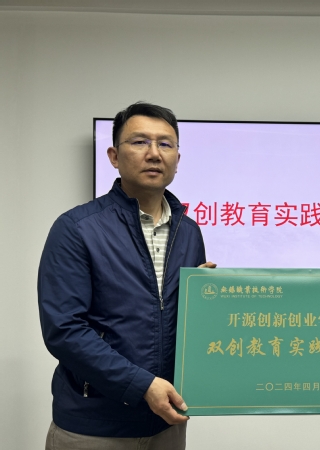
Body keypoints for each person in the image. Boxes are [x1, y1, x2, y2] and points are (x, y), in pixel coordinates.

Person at [38, 102, 215, 449]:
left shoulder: (189, 231)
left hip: (166, 423)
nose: (154, 153)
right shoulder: (76, 228)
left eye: (165, 144)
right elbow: (64, 330)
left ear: (178, 158)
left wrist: (209, 300)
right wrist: (141, 386)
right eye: (139, 142)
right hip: (93, 427)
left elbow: (182, 324)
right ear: (114, 156)